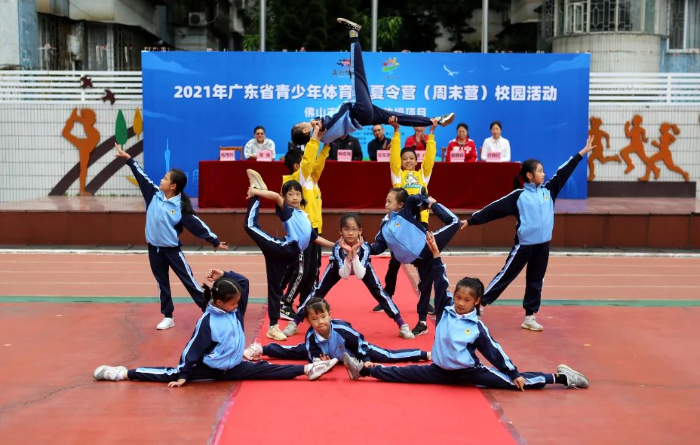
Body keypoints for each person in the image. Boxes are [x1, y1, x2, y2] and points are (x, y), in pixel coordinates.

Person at [341, 233, 590, 391]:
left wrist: (513, 372)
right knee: (402, 374)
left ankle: (562, 378)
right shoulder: (445, 310)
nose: (460, 303)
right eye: (458, 297)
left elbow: (494, 352)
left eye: (467, 300)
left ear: (477, 302)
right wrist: (436, 255)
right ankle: (364, 369)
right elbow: (440, 282)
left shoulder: (477, 327)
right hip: (438, 370)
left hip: (469, 372)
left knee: (516, 383)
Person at [93, 271, 338, 385]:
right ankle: (122, 373)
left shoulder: (235, 309)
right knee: (169, 374)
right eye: (234, 303)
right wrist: (183, 374)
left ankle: (309, 368)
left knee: (267, 370)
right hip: (210, 368)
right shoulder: (208, 322)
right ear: (219, 302)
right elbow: (192, 350)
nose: (238, 306)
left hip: (236, 366)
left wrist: (224, 274)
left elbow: (243, 282)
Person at [464, 137, 595, 331]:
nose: (543, 174)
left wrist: (582, 153)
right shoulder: (519, 196)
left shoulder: (549, 191)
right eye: (540, 171)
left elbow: (564, 170)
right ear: (529, 175)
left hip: (543, 245)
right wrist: (471, 221)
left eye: (543, 171)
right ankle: (480, 306)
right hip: (524, 245)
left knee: (536, 280)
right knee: (506, 276)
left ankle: (530, 316)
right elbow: (494, 209)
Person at [114, 143, 228, 330]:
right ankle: (168, 316)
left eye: (166, 178)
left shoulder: (180, 207)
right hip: (154, 250)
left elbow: (197, 225)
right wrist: (129, 160)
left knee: (189, 282)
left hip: (172, 251)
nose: (161, 179)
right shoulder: (153, 194)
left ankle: (209, 311)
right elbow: (141, 176)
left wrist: (214, 241)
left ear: (173, 186)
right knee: (162, 284)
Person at [290, 18, 454, 147]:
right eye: (301, 124)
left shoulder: (322, 139)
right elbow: (319, 126)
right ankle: (353, 33)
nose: (304, 121)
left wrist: (315, 125)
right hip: (358, 111)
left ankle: (434, 120)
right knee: (356, 73)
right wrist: (315, 125)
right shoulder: (318, 129)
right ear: (305, 130)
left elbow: (322, 130)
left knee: (400, 118)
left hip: (364, 118)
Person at [282, 213, 415, 339]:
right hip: (338, 267)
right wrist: (348, 253)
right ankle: (294, 323)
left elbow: (360, 274)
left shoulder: (365, 248)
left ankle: (402, 324)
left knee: (379, 291)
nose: (350, 233)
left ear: (360, 231)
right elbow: (344, 274)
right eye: (346, 229)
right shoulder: (337, 248)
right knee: (318, 291)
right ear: (340, 231)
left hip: (361, 266)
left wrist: (354, 253)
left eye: (354, 229)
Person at [244, 170, 334, 340]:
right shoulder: (288, 211)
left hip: (288, 255)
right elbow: (275, 197)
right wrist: (256, 192)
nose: (294, 197)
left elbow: (314, 238)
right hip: (283, 248)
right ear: (284, 197)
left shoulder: (304, 216)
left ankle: (273, 326)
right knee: (250, 226)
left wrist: (334, 245)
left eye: (297, 194)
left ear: (302, 196)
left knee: (275, 288)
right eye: (290, 194)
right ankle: (255, 192)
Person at [369, 189, 463, 336]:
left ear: (400, 204)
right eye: (386, 201)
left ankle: (435, 205)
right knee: (425, 286)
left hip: (429, 244)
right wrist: (362, 248)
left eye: (389, 201)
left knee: (455, 222)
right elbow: (378, 247)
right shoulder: (384, 226)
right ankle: (422, 323)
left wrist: (427, 201)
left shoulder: (405, 212)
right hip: (418, 260)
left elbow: (413, 199)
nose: (386, 204)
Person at [244, 298, 430, 363]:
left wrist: (365, 360)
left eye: (323, 317)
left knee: (387, 356)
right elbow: (312, 355)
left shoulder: (342, 329)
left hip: (351, 351)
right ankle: (261, 349)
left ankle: (423, 354)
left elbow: (359, 341)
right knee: (291, 351)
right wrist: (319, 360)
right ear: (307, 321)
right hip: (325, 351)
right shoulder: (311, 336)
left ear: (329, 314)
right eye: (314, 319)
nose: (320, 322)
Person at [383, 117, 438, 314]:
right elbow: (393, 158)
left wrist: (431, 134)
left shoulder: (423, 175)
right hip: (402, 226)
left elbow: (430, 159)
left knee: (424, 265)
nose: (408, 161)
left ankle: (425, 302)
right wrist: (396, 132)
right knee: (394, 263)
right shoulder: (398, 176)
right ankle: (386, 297)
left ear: (416, 161)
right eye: (405, 158)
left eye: (412, 158)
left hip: (421, 225)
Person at [279, 122, 331, 320]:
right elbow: (309, 160)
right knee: (301, 271)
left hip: (315, 230)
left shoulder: (311, 180)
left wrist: (326, 145)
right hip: (302, 232)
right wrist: (315, 137)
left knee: (313, 271)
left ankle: (305, 302)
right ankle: (285, 304)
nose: (309, 163)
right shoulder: (296, 181)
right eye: (304, 162)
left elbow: (317, 163)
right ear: (296, 166)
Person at [62, 108, 100, 196]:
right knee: (83, 170)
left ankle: (82, 190)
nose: (95, 120)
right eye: (93, 118)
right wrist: (75, 118)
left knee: (83, 170)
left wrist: (74, 118)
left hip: (84, 145)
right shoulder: (88, 127)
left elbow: (85, 122)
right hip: (84, 146)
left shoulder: (89, 128)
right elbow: (85, 122)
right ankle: (82, 190)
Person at [587, 116, 620, 181]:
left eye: (593, 124)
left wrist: (608, 143)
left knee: (590, 160)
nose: (592, 125)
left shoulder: (599, 132)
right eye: (591, 123)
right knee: (602, 160)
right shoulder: (590, 131)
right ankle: (614, 157)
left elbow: (607, 135)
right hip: (595, 148)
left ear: (597, 125)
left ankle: (592, 175)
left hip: (598, 148)